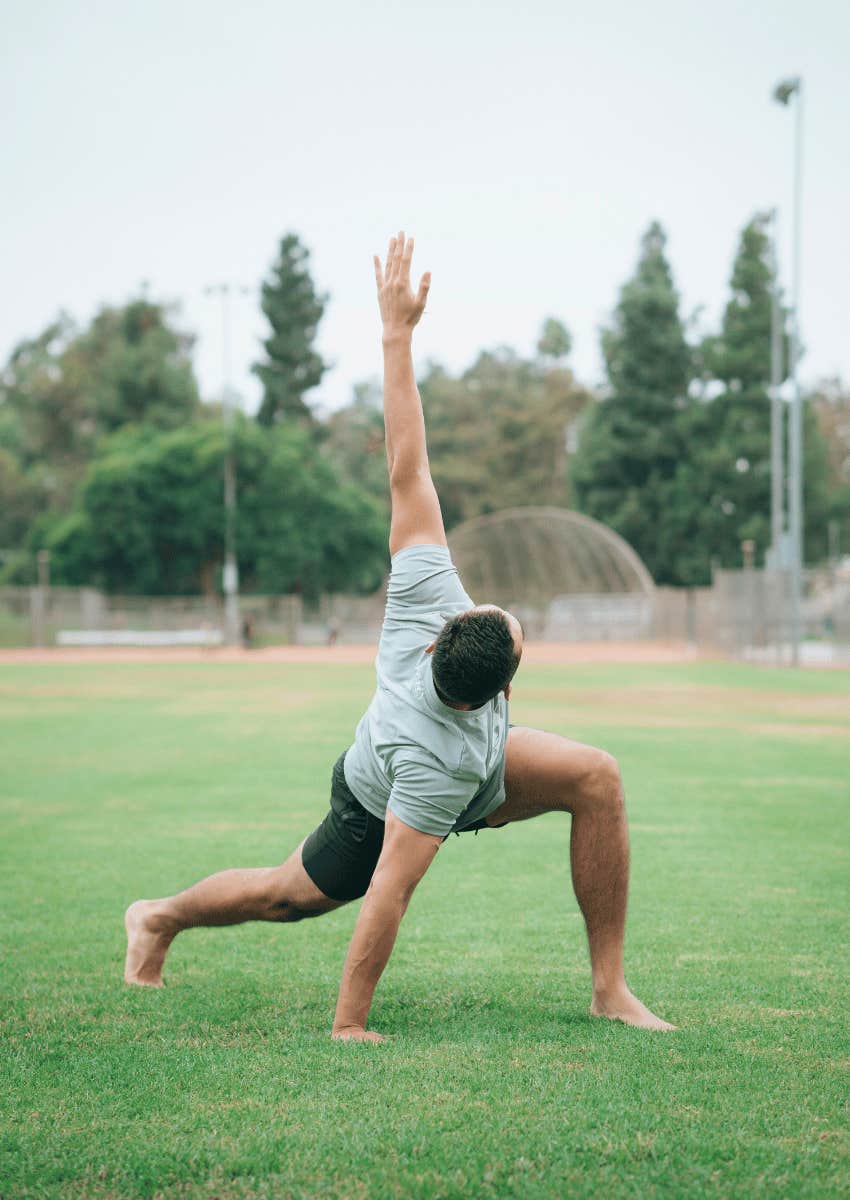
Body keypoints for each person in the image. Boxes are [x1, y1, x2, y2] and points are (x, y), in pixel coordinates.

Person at [124, 232, 675, 1038]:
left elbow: (406, 466)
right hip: (381, 793)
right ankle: (159, 917)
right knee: (287, 896)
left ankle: (609, 988)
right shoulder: (433, 765)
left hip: (475, 768)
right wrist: (351, 1025)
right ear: (499, 683)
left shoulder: (428, 592)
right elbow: (391, 889)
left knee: (596, 776)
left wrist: (396, 335)